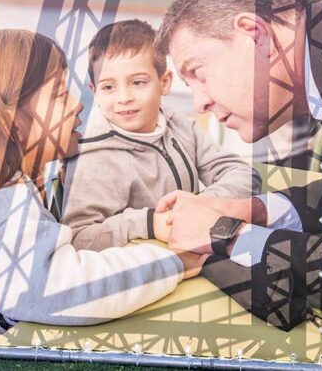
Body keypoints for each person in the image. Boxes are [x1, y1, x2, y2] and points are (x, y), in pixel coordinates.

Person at [0, 29, 206, 344]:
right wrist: (172, 263)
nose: (77, 106)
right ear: (11, 117)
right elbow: (61, 289)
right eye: (60, 94)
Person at [153, 0, 322, 331]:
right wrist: (256, 209)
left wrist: (227, 234)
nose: (199, 102)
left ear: (255, 34)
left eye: (198, 73)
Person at [55, 19, 257, 251]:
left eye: (138, 82)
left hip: (200, 248)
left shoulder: (179, 124)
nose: (124, 97)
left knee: (271, 256)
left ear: (164, 82)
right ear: (95, 92)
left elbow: (243, 174)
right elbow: (79, 237)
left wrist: (200, 205)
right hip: (150, 272)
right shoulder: (92, 155)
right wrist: (149, 223)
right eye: (108, 87)